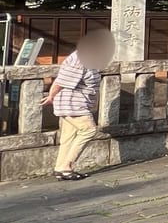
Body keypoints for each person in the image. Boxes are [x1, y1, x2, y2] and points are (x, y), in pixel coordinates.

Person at [40, 28, 115, 181]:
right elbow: (61, 81)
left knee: (69, 136)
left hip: (75, 102)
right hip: (73, 104)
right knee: (89, 130)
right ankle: (67, 166)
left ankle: (60, 168)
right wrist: (51, 96)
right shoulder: (80, 59)